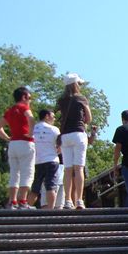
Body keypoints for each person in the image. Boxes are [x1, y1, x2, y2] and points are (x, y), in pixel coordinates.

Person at [0, 86, 37, 209]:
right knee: (27, 172)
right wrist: (31, 132)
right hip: (26, 143)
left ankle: (12, 201)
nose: (30, 100)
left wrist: (7, 137)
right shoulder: (24, 108)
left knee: (14, 173)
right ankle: (23, 201)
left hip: (13, 144)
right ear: (24, 97)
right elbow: (31, 119)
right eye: (29, 97)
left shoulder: (10, 110)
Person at [57, 73, 93, 210]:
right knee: (79, 169)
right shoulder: (81, 98)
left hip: (65, 136)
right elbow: (88, 118)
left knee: (67, 169)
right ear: (76, 84)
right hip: (78, 134)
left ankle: (67, 200)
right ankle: (79, 200)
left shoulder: (62, 100)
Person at [31, 109, 61, 208]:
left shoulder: (33, 129)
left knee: (35, 188)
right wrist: (58, 151)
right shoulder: (54, 129)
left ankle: (24, 209)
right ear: (47, 116)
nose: (54, 118)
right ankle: (50, 210)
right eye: (53, 116)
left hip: (37, 161)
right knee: (51, 187)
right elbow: (60, 145)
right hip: (51, 160)